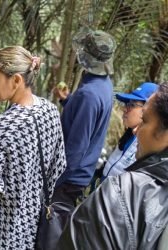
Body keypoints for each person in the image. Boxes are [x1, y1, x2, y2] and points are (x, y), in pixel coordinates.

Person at [0, 46, 66, 250]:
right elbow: (59, 164)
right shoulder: (50, 111)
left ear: (16, 80)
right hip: (30, 224)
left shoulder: (1, 125)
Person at [57, 83, 168, 250]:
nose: (125, 109)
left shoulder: (123, 193)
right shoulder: (128, 139)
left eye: (132, 106)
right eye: (125, 104)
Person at [52, 29, 116, 207]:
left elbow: (76, 147)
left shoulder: (89, 94)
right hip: (77, 176)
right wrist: (68, 101)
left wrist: (54, 181)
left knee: (50, 231)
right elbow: (88, 119)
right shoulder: (103, 84)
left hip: (69, 179)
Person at [100, 82, 158, 180]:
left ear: (148, 110)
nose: (124, 109)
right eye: (127, 104)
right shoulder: (129, 134)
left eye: (132, 104)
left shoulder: (147, 146)